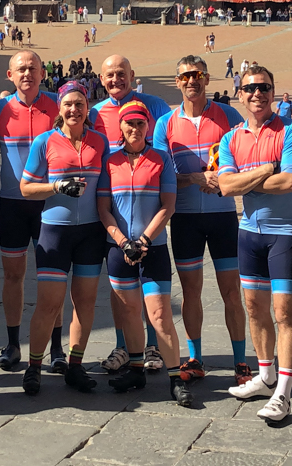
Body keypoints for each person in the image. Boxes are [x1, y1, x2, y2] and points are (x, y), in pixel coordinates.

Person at [218, 64, 292, 425]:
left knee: (285, 313)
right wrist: (264, 170)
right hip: (248, 231)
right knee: (254, 309)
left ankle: (283, 393)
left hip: (284, 232)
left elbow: (290, 182)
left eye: (265, 87)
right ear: (240, 93)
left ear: (273, 91)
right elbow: (225, 187)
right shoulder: (231, 138)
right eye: (251, 88)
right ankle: (265, 374)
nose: (258, 94)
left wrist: (244, 180)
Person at [152, 56, 249, 385]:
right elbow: (159, 176)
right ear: (177, 81)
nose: (191, 81)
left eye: (197, 75)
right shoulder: (165, 124)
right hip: (185, 220)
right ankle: (195, 358)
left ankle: (240, 361)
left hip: (224, 219)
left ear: (207, 79)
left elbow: (247, 159)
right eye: (185, 76)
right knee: (191, 292)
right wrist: (194, 178)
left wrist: (226, 179)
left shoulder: (229, 116)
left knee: (231, 292)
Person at [98, 101, 192, 406]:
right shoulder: (109, 162)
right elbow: (104, 210)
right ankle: (136, 368)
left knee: (160, 314)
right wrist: (124, 242)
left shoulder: (161, 159)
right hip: (119, 248)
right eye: (130, 124)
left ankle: (176, 377)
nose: (135, 129)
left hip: (153, 249)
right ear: (121, 127)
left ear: (147, 126)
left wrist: (143, 242)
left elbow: (168, 205)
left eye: (140, 124)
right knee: (129, 313)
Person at [19, 81, 110, 396]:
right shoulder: (45, 142)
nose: (74, 110)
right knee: (49, 303)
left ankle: (75, 365)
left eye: (80, 104)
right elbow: (26, 188)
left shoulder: (100, 142)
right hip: (55, 231)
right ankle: (33, 368)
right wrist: (57, 187)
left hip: (91, 232)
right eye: (68, 104)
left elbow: (109, 188)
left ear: (88, 108)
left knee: (84, 302)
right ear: (59, 107)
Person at [0, 51, 65, 372]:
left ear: (43, 72)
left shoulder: (59, 104)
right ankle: (13, 344)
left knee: (52, 278)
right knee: (12, 275)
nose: (27, 73)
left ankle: (56, 348)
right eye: (21, 69)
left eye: (32, 68)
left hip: (52, 205)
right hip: (12, 205)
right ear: (9, 75)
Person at [89, 55, 173, 373]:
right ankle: (123, 345)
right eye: (109, 75)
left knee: (152, 293)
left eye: (121, 74)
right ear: (101, 77)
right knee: (120, 289)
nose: (115, 80)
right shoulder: (95, 112)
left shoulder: (154, 104)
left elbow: (165, 148)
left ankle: (152, 345)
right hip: (113, 210)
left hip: (149, 209)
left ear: (132, 75)